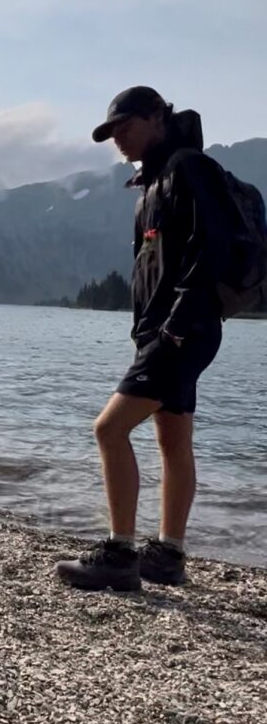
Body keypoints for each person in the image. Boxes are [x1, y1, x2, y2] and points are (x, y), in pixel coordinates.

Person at [56, 86, 226, 591]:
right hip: (174, 330)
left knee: (109, 430)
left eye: (125, 127)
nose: (118, 139)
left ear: (157, 117)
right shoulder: (152, 182)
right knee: (173, 439)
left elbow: (209, 251)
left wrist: (174, 328)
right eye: (111, 134)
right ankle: (167, 556)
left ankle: (118, 554)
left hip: (182, 329)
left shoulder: (186, 170)